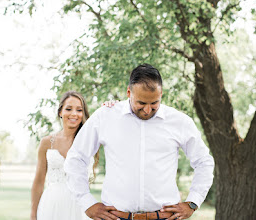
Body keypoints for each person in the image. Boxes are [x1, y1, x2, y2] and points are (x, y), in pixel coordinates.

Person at [64, 64, 215, 220]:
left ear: (161, 93)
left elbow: (204, 162)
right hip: (116, 217)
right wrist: (87, 202)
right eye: (141, 103)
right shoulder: (105, 116)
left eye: (154, 103)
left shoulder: (180, 122)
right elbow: (76, 158)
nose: (147, 110)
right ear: (129, 92)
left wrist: (193, 202)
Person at [30, 91, 99, 220]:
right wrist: (33, 215)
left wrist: (111, 106)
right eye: (68, 109)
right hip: (52, 205)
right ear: (60, 112)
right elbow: (39, 182)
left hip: (80, 206)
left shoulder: (89, 142)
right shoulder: (47, 143)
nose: (74, 114)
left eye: (79, 110)